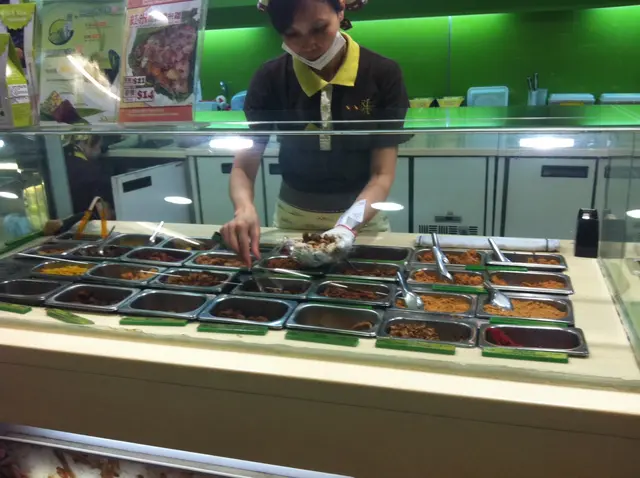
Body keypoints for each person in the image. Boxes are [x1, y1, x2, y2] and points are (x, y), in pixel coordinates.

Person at [220, 0, 411, 266]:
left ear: (340, 11)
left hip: (363, 220)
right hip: (293, 219)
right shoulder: (270, 77)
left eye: (319, 29)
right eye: (292, 34)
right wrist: (244, 209)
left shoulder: (382, 73)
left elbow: (382, 174)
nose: (308, 44)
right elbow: (243, 166)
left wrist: (347, 225)